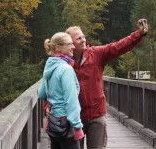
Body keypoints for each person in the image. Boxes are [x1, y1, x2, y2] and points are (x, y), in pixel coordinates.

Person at [63, 20, 149, 149]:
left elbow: (119, 46)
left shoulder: (96, 54)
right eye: (79, 38)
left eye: (83, 36)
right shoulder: (63, 63)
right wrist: (47, 105)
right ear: (70, 43)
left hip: (96, 115)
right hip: (74, 118)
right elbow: (51, 85)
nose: (83, 40)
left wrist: (139, 34)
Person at [38, 32, 84, 149]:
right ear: (58, 48)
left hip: (53, 123)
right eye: (69, 44)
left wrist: (48, 103)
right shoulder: (66, 69)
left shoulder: (50, 65)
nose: (73, 47)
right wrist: (77, 127)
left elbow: (42, 93)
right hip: (66, 125)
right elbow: (71, 100)